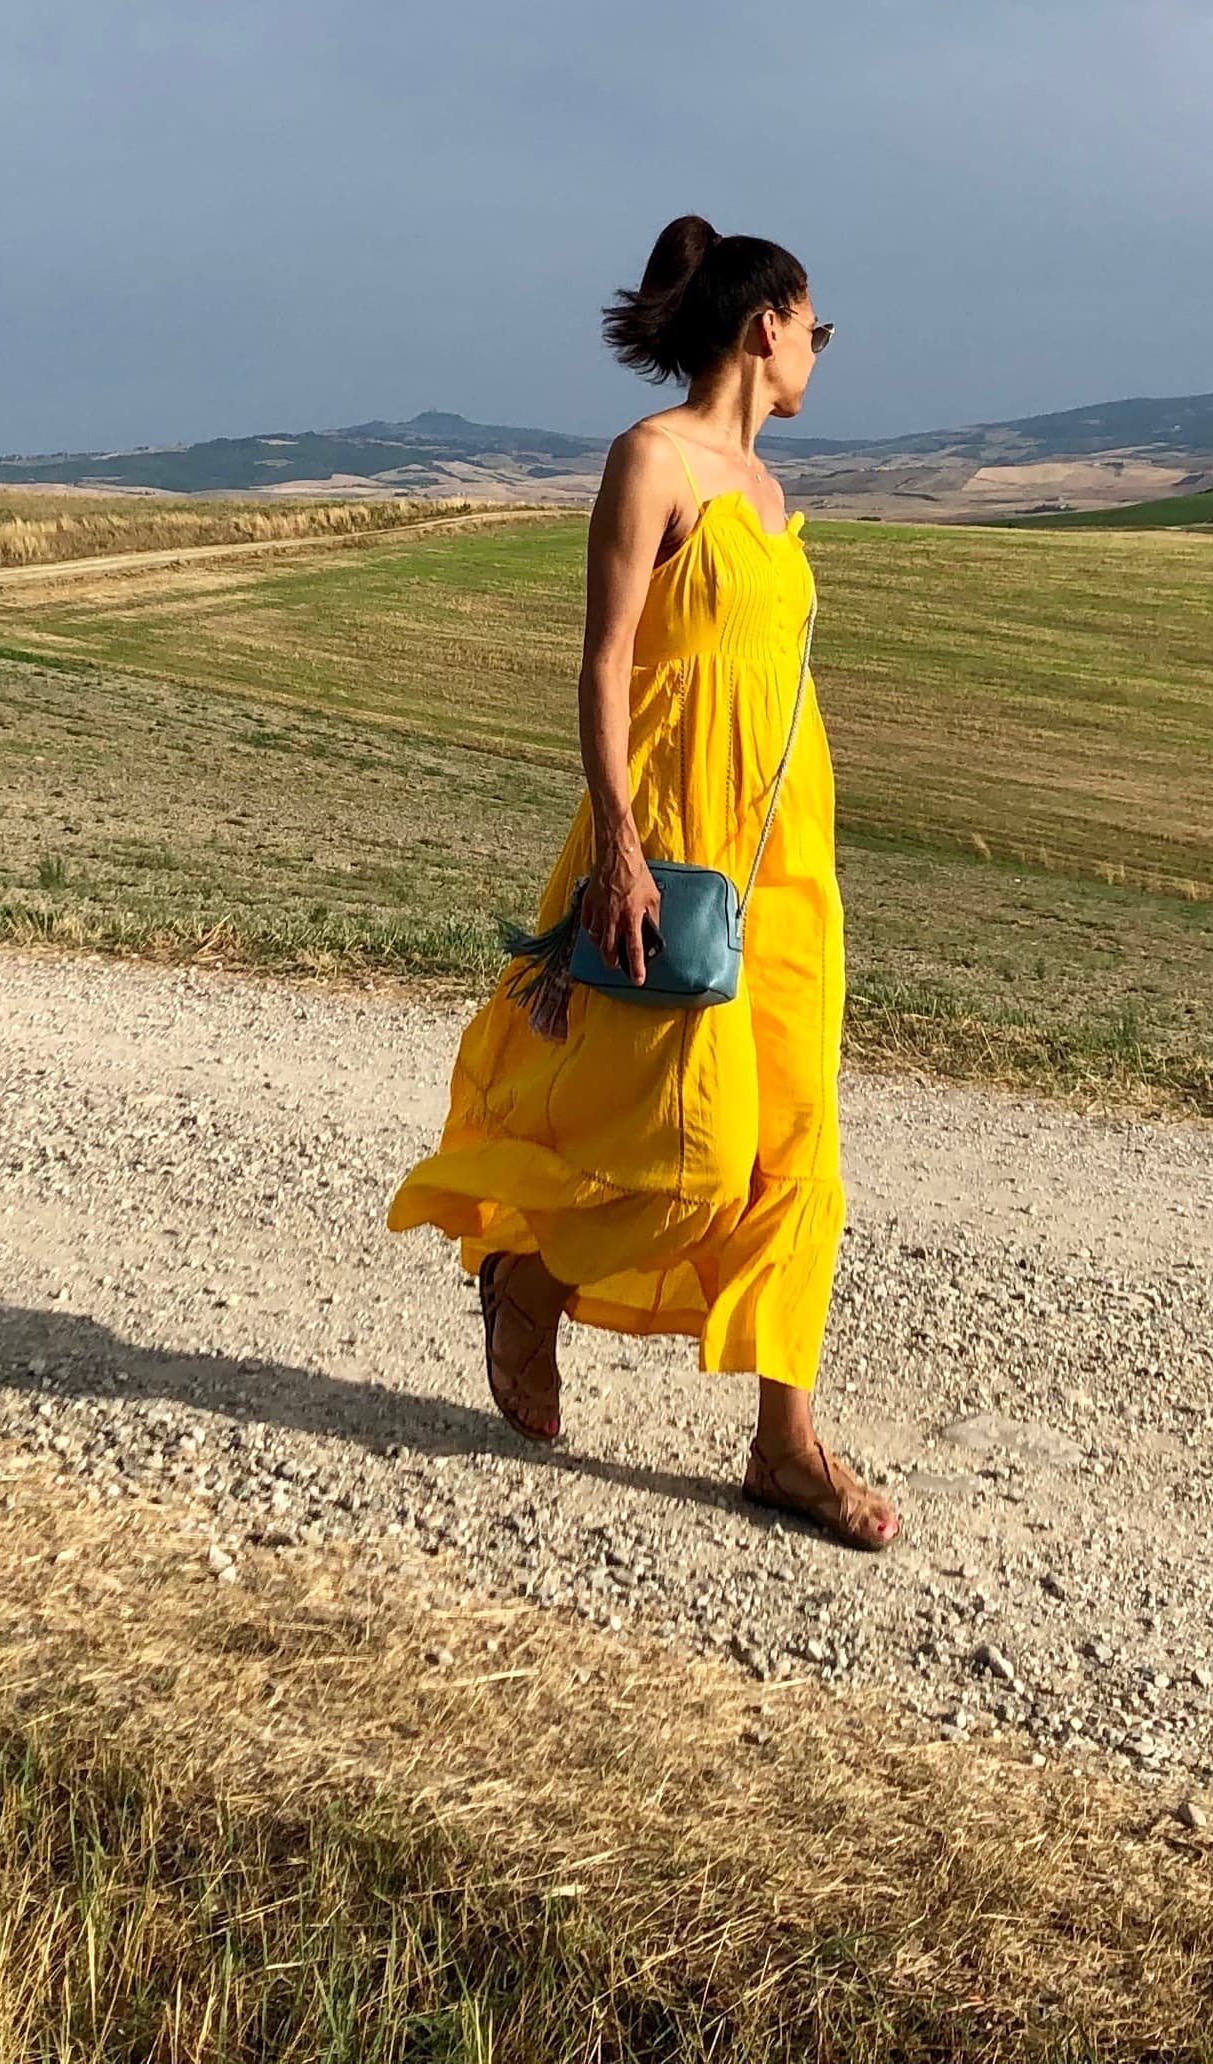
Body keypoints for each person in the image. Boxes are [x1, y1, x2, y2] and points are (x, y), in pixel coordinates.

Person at [386, 216, 896, 1551]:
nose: (817, 357)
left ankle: (786, 1445)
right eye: (815, 330)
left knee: (801, 1150)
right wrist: (617, 842)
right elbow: (606, 663)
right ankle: (530, 1282)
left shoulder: (776, 494)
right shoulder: (653, 462)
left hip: (787, 860)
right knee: (691, 1149)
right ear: (766, 318)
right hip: (671, 845)